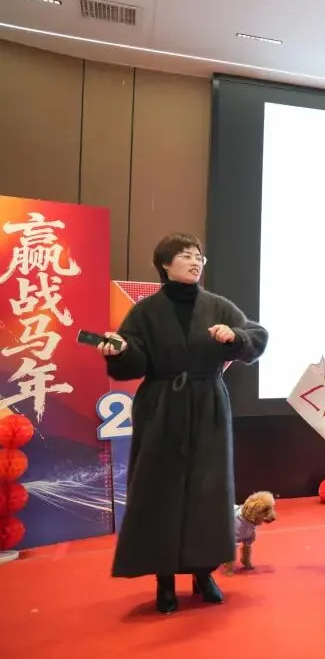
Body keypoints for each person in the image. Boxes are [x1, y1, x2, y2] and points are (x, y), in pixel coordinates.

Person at [99, 233, 269, 614]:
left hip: (208, 405)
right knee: (159, 491)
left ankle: (203, 574)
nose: (195, 262)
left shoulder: (217, 305)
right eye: (186, 256)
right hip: (161, 406)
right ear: (165, 264)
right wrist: (120, 351)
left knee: (207, 491)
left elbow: (257, 336)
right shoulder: (145, 312)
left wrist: (235, 336)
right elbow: (133, 361)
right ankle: (164, 579)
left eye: (198, 257)